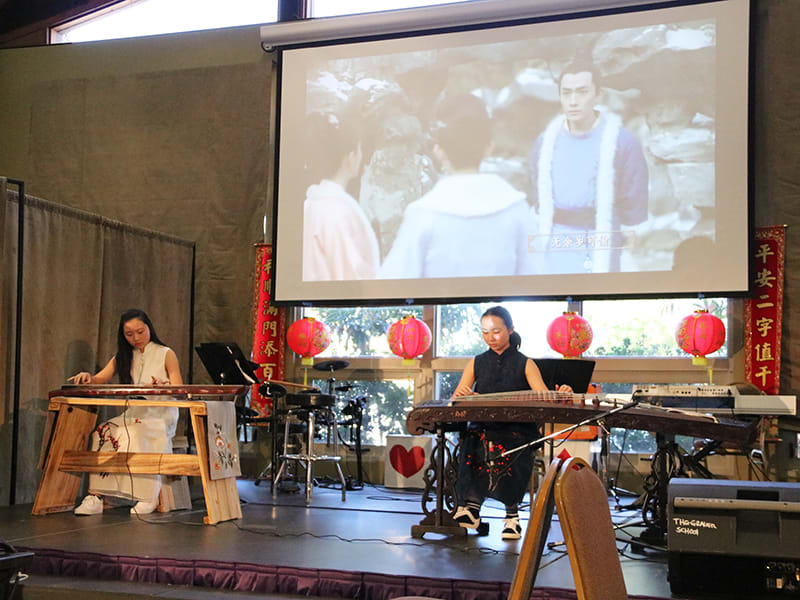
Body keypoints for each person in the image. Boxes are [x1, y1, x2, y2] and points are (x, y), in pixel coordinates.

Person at [379, 94, 530, 279]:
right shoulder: (516, 208)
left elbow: (395, 282)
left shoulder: (422, 214)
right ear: (489, 147)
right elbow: (536, 278)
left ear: (438, 150)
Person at [452, 306, 571, 540]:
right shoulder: (476, 362)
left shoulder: (525, 363)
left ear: (510, 330)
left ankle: (511, 517)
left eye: (496, 331)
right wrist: (467, 397)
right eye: (485, 332)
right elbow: (458, 397)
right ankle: (472, 508)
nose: (490, 338)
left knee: (508, 445)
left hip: (516, 429)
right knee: (473, 441)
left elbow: (542, 397)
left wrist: (562, 393)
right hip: (484, 427)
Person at [528, 60, 649, 274]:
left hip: (602, 238)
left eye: (582, 92)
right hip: (556, 240)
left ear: (598, 95)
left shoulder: (622, 141)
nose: (573, 101)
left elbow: (634, 202)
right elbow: (536, 194)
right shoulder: (545, 142)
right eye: (566, 93)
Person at [68, 309, 183, 516]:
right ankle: (97, 495)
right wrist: (87, 377)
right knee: (103, 432)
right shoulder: (122, 356)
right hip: (134, 414)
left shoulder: (166, 353)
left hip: (160, 414)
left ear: (149, 327)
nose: (136, 338)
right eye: (129, 334)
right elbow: (98, 379)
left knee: (136, 434)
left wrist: (165, 386)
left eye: (140, 332)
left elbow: (181, 392)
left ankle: (147, 495)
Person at [302, 111, 380, 281]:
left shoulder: (311, 203)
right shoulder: (338, 210)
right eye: (359, 149)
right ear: (350, 156)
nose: (361, 157)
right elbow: (351, 275)